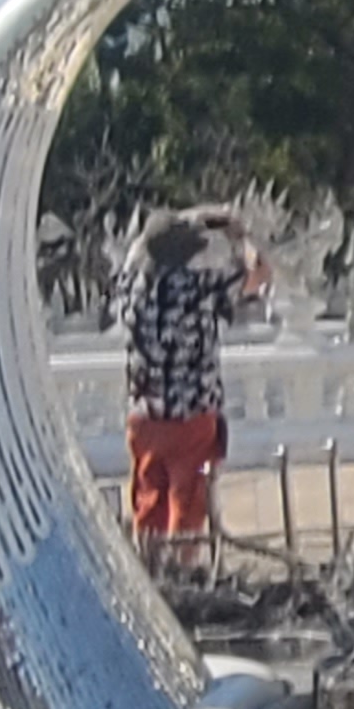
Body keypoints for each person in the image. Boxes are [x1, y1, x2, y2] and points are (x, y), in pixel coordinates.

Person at [125, 207, 267, 558]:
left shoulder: (131, 288)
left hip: (144, 417)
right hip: (191, 414)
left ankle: (147, 572)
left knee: (149, 507)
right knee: (186, 507)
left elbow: (139, 249)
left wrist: (176, 222)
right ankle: (182, 573)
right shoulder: (199, 287)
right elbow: (259, 273)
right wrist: (239, 236)